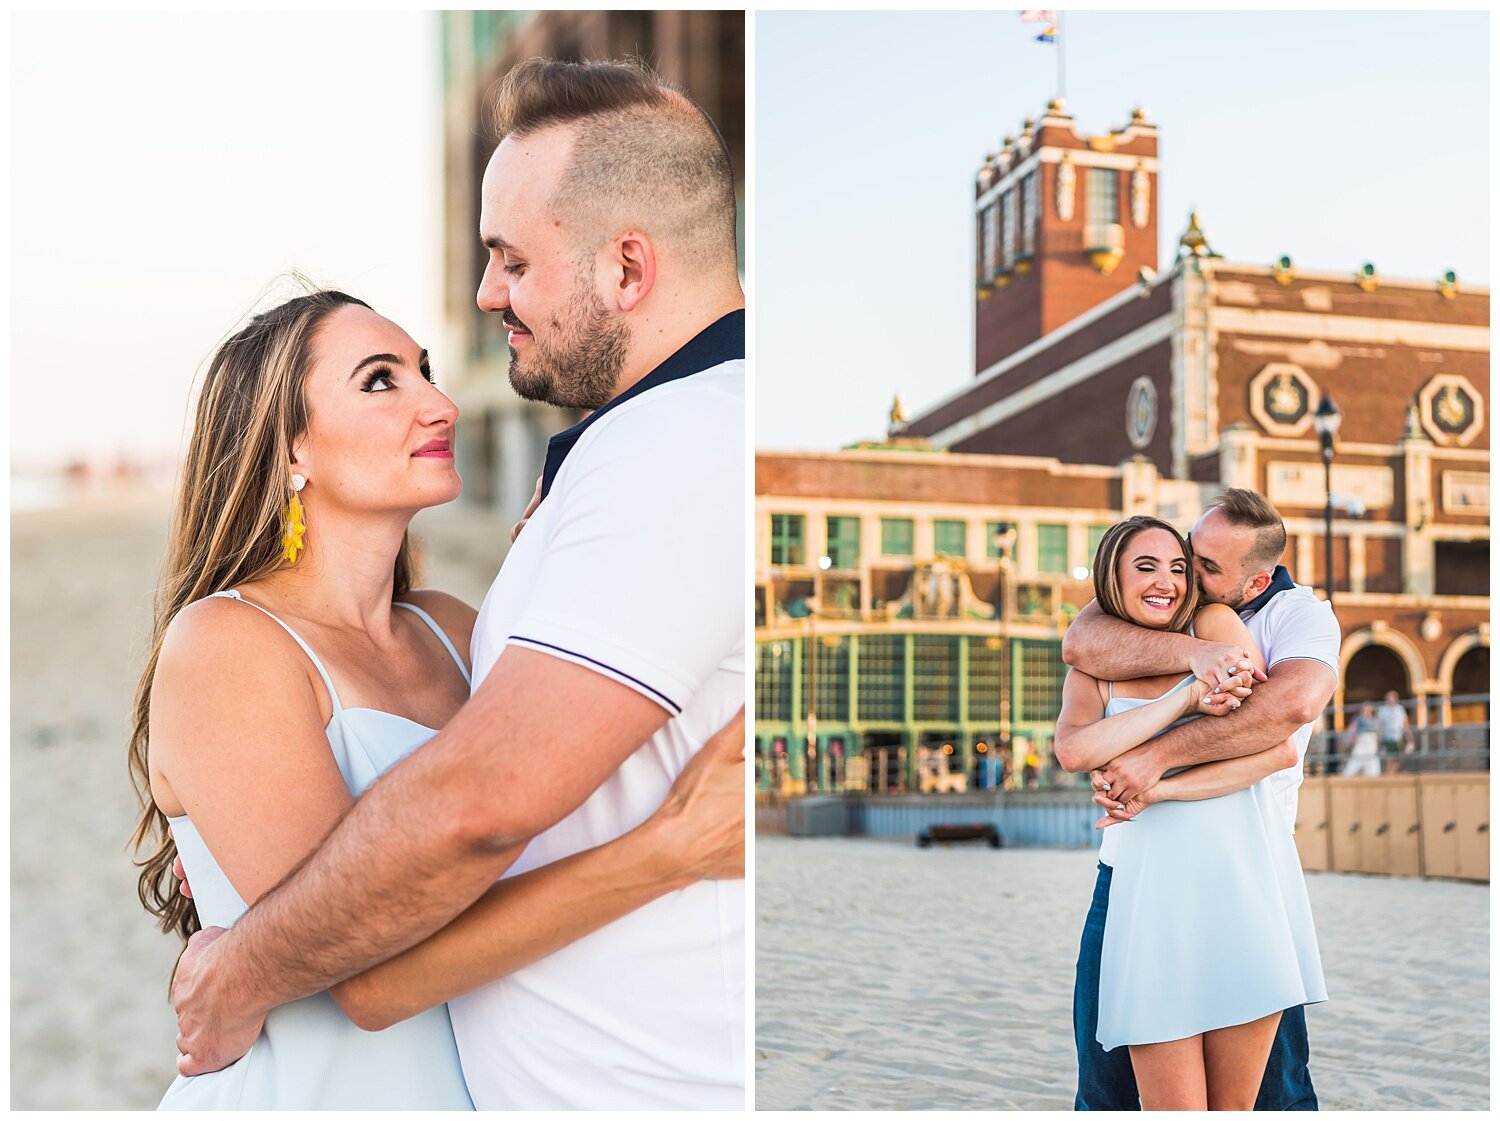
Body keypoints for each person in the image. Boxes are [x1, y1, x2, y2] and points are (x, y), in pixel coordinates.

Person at [166, 57, 747, 1109]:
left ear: (628, 265)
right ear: (286, 447)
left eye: (424, 370)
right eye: (382, 381)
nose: (438, 402)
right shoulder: (227, 647)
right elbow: (372, 956)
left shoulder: (452, 627)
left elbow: (493, 822)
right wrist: (668, 849)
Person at [1061, 490, 1341, 1111]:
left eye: (1196, 565)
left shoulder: (1298, 618)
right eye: (1165, 559)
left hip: (1246, 870)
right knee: (1106, 1087)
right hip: (1138, 881)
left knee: (1274, 1096)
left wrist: (1156, 767)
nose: (1178, 572)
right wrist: (1193, 669)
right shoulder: (1149, 625)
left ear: (1256, 578)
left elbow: (1284, 723)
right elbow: (1079, 656)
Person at [1342, 702, 1383, 777]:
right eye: (1366, 710)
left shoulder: (1374, 720)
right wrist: (1353, 739)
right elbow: (1351, 730)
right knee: (1354, 762)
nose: (1368, 712)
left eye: (1369, 710)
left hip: (1371, 743)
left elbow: (1377, 733)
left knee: (1373, 765)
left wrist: (1377, 744)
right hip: (1361, 742)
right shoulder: (1358, 719)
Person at [1378, 690, 1414, 773]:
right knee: (1390, 755)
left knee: (1398, 755)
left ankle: (1393, 771)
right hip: (1387, 736)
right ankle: (1389, 772)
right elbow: (1379, 724)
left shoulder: (1400, 708)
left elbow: (1405, 722)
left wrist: (1409, 734)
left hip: (1398, 735)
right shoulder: (1382, 710)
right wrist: (1379, 737)